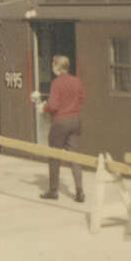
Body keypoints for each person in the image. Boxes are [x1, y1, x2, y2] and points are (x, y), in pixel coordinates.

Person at [39, 54, 85, 202]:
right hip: (75, 120)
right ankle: (79, 191)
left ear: (57, 67)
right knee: (74, 157)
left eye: (53, 64)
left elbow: (53, 105)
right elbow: (81, 99)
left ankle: (53, 191)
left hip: (60, 122)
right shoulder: (77, 81)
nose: (52, 67)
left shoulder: (56, 83)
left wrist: (43, 108)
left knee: (54, 156)